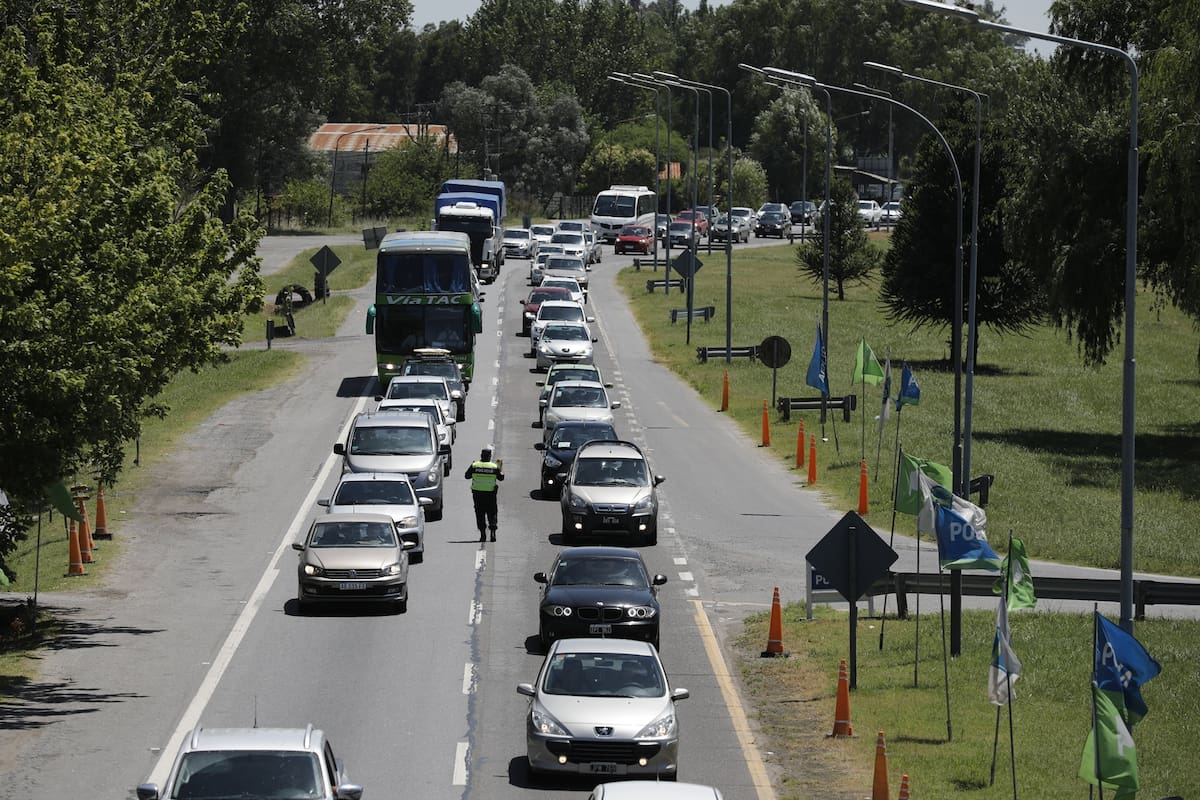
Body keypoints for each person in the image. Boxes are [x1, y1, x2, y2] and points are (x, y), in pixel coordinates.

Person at [464, 446, 504, 542]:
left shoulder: (475, 465)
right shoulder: (494, 467)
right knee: (492, 513)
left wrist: (472, 466)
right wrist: (500, 468)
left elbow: (467, 476)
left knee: (480, 514)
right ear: (490, 456)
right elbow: (501, 478)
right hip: (490, 495)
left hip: (478, 495)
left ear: (481, 456)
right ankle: (493, 532)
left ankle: (483, 534)